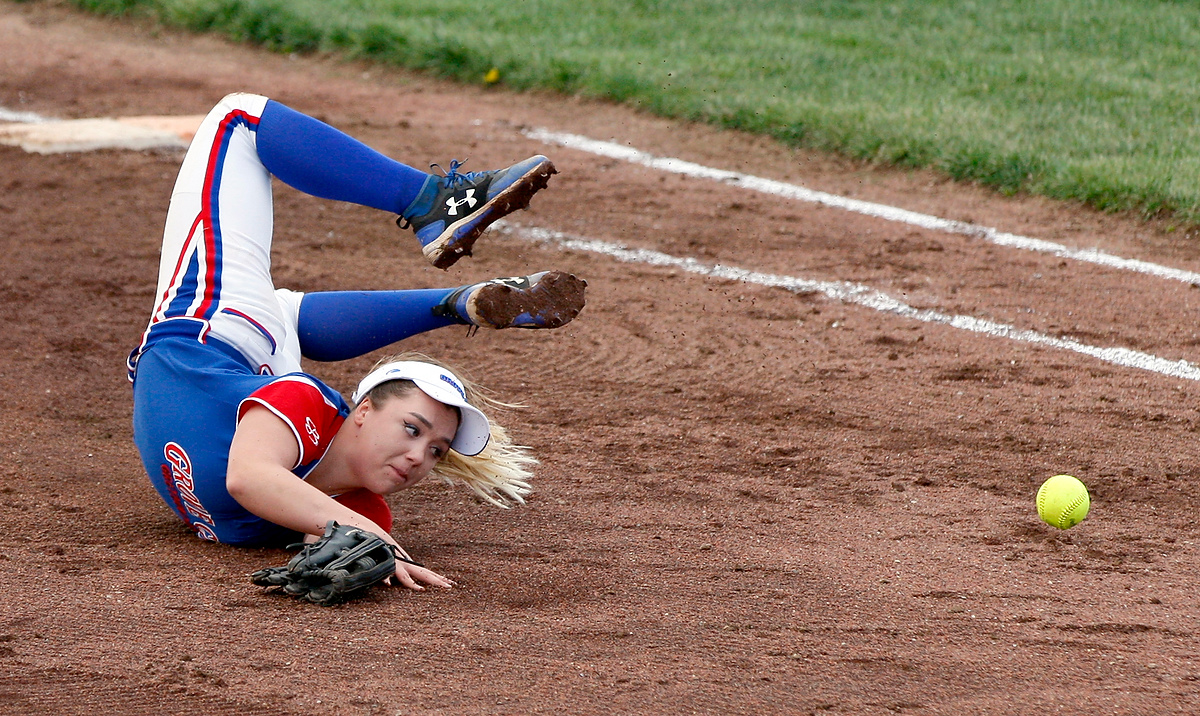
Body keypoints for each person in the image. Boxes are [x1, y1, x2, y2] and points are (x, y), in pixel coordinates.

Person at [128, 92, 586, 590]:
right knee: (238, 119)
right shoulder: (307, 403)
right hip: (209, 329)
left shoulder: (360, 508)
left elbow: (317, 539)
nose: (419, 459)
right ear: (362, 410)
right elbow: (249, 478)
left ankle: (456, 302)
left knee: (280, 312)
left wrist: (365, 554)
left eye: (436, 450)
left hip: (235, 357)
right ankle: (433, 202)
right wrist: (365, 532)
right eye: (413, 429)